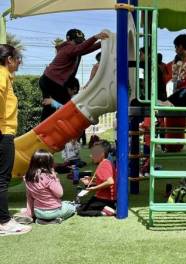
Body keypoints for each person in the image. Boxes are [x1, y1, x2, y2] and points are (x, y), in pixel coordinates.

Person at [39, 29, 108, 121]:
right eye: (76, 41)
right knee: (64, 106)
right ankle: (48, 129)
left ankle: (45, 127)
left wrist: (103, 43)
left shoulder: (74, 50)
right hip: (51, 81)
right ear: (68, 39)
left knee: (51, 106)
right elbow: (80, 48)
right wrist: (95, 38)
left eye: (80, 41)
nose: (78, 43)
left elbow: (86, 49)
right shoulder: (68, 47)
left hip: (50, 80)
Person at [0, 44, 32, 235]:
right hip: (3, 132)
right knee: (2, 178)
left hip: (4, 131)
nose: (20, 61)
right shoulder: (2, 74)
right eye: (17, 57)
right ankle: (4, 222)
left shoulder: (5, 76)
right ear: (9, 59)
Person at [21, 150, 76, 224]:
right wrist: (55, 178)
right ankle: (53, 220)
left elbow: (29, 197)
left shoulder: (27, 178)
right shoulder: (49, 177)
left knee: (66, 203)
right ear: (48, 163)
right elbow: (60, 194)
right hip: (54, 211)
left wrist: (30, 214)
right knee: (72, 208)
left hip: (38, 212)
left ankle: (41, 220)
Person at [77, 140, 116, 217]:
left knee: (81, 211)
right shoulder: (106, 162)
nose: (91, 156)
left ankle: (105, 211)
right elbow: (103, 180)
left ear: (101, 154)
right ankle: (107, 208)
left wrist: (94, 188)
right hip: (107, 198)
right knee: (83, 205)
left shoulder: (104, 164)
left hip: (105, 198)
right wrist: (91, 181)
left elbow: (110, 181)